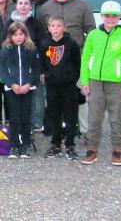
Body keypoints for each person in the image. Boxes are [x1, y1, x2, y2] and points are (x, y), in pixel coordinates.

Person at [36, 0, 96, 135]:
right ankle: (58, 130)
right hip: (53, 62)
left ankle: (84, 132)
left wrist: (88, 55)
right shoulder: (45, 8)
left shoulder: (82, 5)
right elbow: (42, 33)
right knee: (55, 98)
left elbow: (91, 31)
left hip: (77, 60)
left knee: (81, 96)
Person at [80, 1, 121, 166]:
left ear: (119, 17)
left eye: (114, 16)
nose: (110, 19)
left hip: (117, 83)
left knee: (116, 118)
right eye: (107, 15)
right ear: (102, 16)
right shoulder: (93, 35)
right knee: (94, 118)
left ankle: (117, 150)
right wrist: (85, 80)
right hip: (95, 81)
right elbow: (86, 59)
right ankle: (92, 149)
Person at [39, 16, 81, 160]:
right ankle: (56, 144)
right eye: (53, 26)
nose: (56, 29)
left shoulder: (71, 44)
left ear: (65, 28)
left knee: (70, 116)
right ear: (49, 28)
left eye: (58, 26)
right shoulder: (45, 44)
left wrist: (71, 78)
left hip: (68, 86)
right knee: (54, 115)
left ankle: (70, 144)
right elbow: (43, 63)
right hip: (52, 86)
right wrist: (45, 75)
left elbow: (77, 63)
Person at [0, 22, 40, 159]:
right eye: (15, 34)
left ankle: (25, 145)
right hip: (12, 89)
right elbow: (2, 70)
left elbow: (36, 69)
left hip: (28, 88)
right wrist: (12, 84)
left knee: (26, 117)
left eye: (21, 34)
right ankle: (14, 144)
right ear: (10, 36)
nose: (18, 37)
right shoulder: (6, 49)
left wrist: (28, 84)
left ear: (25, 34)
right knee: (14, 118)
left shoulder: (31, 48)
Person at [6, 0, 47, 131]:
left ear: (30, 6)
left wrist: (41, 69)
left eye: (26, 3)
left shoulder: (35, 23)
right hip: (14, 68)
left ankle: (36, 123)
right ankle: (19, 124)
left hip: (32, 66)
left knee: (37, 96)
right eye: (20, 3)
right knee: (17, 97)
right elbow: (4, 44)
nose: (23, 6)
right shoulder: (9, 22)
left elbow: (43, 46)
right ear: (16, 5)